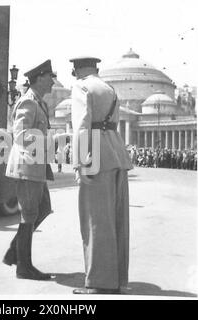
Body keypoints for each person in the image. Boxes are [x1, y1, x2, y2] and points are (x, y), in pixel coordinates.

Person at [69, 56, 133, 294]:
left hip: (95, 155)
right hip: (117, 152)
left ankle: (98, 282)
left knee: (95, 220)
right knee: (117, 220)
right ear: (96, 68)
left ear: (77, 71)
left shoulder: (81, 86)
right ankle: (117, 280)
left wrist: (79, 164)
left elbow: (82, 126)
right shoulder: (109, 88)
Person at [4, 60, 56, 280]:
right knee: (29, 214)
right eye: (49, 78)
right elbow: (21, 135)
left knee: (43, 208)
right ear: (40, 78)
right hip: (27, 165)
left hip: (35, 166)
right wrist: (46, 142)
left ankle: (14, 252)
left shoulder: (39, 102)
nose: (52, 82)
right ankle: (23, 267)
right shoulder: (29, 102)